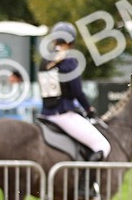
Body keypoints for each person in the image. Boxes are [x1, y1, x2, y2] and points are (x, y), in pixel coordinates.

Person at [38, 21, 110, 163]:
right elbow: (77, 91)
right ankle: (86, 183)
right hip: (63, 114)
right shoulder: (68, 60)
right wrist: (88, 109)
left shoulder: (45, 59)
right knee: (102, 145)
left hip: (45, 114)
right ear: (71, 41)